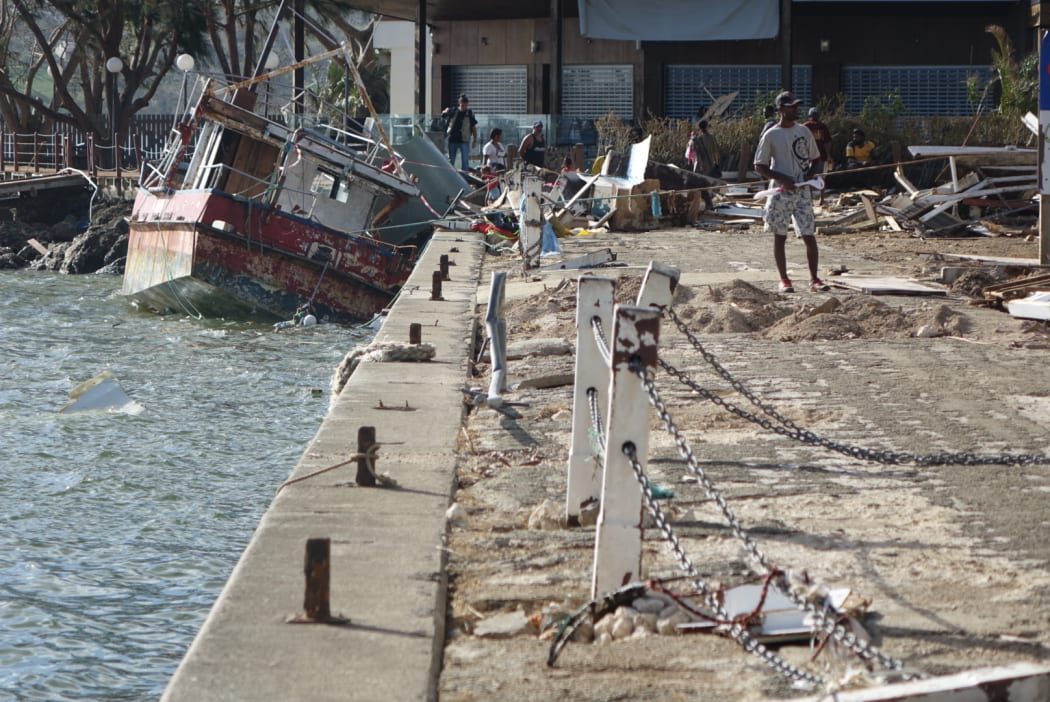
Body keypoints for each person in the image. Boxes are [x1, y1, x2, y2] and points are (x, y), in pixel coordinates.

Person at [754, 91, 829, 294]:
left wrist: (810, 178)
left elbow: (816, 159)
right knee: (780, 236)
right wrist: (782, 179)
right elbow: (759, 165)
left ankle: (814, 279)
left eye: (797, 106)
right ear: (780, 109)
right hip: (780, 192)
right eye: (791, 106)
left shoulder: (804, 131)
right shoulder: (771, 134)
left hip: (802, 192)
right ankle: (784, 280)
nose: (796, 109)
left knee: (808, 234)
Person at [802, 107, 832, 204]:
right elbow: (827, 142)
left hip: (808, 156)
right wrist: (828, 155)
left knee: (809, 177)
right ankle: (822, 199)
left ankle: (810, 198)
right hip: (820, 156)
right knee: (821, 177)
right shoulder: (822, 126)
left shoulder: (804, 126)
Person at [446, 94, 478, 170]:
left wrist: (475, 139)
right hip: (453, 139)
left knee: (465, 161)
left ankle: (465, 177)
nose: (464, 107)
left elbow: (473, 127)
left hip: (464, 140)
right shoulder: (454, 111)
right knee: (451, 160)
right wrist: (445, 111)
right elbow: (444, 115)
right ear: (459, 103)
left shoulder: (469, 113)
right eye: (463, 105)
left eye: (466, 105)